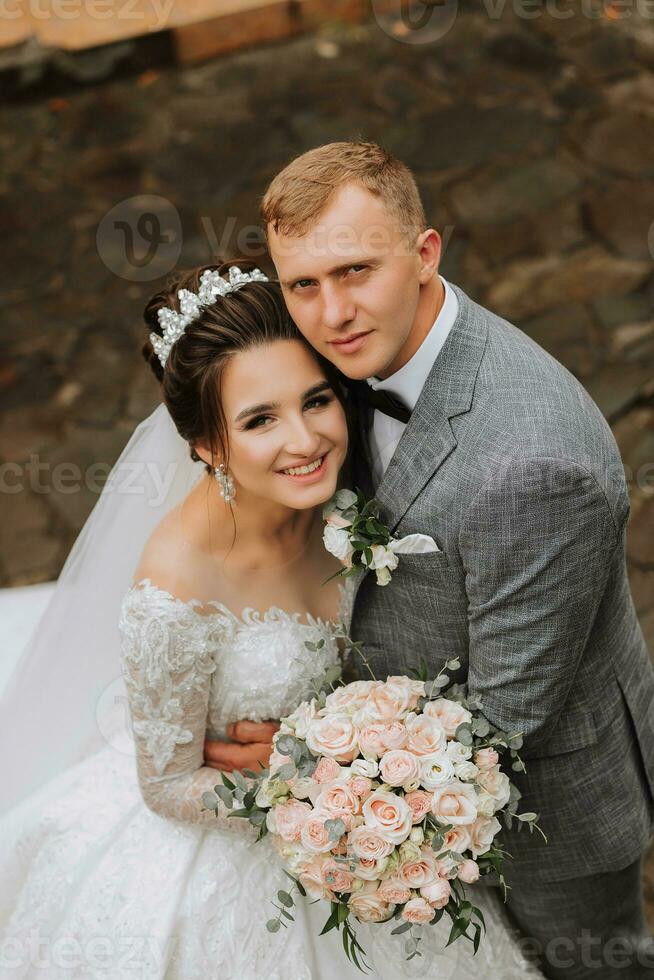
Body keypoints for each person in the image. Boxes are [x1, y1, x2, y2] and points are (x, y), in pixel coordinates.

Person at [0, 260, 542, 978]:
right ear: (206, 446)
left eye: (315, 401)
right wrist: (326, 784)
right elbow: (164, 786)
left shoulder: (352, 492)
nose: (306, 440)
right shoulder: (176, 586)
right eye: (259, 420)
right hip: (244, 844)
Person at [254, 140, 654, 978]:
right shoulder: (334, 362)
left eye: (357, 270)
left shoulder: (537, 465)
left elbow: (506, 717)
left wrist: (305, 772)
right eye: (304, 285)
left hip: (547, 812)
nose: (332, 314)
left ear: (425, 253)